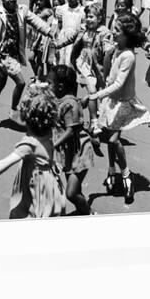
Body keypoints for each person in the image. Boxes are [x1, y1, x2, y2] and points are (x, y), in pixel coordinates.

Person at [0, 82, 66, 219]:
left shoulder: (29, 144)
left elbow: (4, 163)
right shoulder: (49, 132)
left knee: (31, 211)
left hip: (37, 185)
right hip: (51, 183)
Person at [88, 13, 150, 204]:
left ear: (127, 34)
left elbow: (118, 84)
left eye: (116, 31)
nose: (113, 33)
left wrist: (97, 95)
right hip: (112, 102)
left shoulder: (128, 56)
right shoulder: (116, 49)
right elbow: (106, 67)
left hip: (123, 102)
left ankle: (126, 175)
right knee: (110, 136)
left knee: (114, 139)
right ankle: (111, 169)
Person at [52, 66, 95, 215]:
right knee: (76, 190)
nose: (48, 85)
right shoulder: (62, 100)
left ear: (60, 86)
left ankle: (89, 213)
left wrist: (53, 145)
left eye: (51, 82)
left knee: (71, 193)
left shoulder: (68, 104)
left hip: (79, 152)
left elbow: (70, 131)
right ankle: (82, 211)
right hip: (69, 153)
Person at [70, 2, 113, 142]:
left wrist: (109, 50)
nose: (89, 20)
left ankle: (94, 120)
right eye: (87, 17)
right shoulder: (83, 29)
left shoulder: (104, 32)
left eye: (92, 17)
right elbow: (72, 40)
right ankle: (94, 122)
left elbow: (108, 46)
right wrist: (58, 43)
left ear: (99, 18)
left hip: (98, 67)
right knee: (92, 91)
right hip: (83, 64)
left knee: (99, 93)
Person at [54, 0, 85, 66]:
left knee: (71, 62)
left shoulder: (82, 11)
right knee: (61, 62)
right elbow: (59, 26)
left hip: (75, 40)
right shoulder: (62, 9)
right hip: (63, 38)